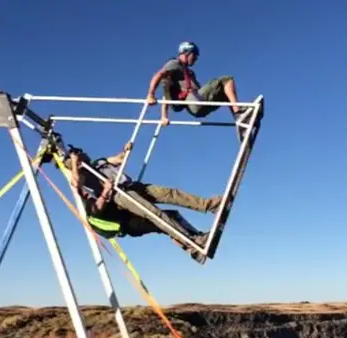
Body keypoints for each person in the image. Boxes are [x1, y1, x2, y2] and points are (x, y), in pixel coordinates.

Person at [65, 143, 221, 261]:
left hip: (133, 186)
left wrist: (125, 151)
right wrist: (74, 161)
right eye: (80, 155)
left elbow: (119, 159)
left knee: (169, 194)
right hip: (120, 195)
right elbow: (75, 182)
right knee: (156, 215)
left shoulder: (99, 162)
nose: (83, 154)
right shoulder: (82, 175)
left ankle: (209, 205)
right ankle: (193, 242)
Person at [145, 41, 253, 140]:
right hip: (195, 102)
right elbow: (160, 78)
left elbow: (167, 93)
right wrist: (151, 95)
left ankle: (240, 124)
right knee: (227, 80)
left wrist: (164, 116)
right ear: (186, 53)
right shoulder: (174, 63)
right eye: (194, 55)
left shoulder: (189, 73)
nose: (196, 59)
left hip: (200, 105)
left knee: (225, 93)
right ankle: (239, 114)